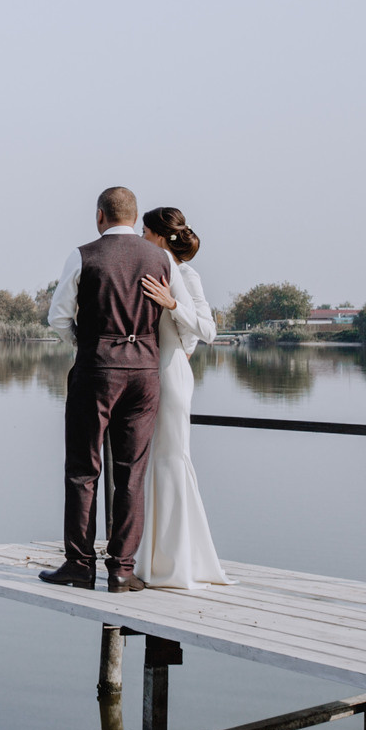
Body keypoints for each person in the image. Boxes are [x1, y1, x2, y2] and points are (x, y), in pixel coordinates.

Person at [42, 186, 199, 593]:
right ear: (133, 218)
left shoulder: (82, 255)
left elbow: (58, 318)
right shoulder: (162, 257)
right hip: (145, 372)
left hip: (96, 369)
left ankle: (79, 564)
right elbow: (183, 314)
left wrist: (86, 343)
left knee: (82, 470)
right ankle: (122, 570)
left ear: (100, 216)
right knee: (131, 473)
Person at [136, 207, 229, 589]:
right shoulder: (145, 271)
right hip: (143, 374)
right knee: (148, 463)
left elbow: (208, 331)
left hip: (171, 377)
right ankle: (149, 555)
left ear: (159, 236)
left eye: (144, 231)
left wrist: (174, 305)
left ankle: (176, 561)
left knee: (171, 459)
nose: (139, 237)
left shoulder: (187, 276)